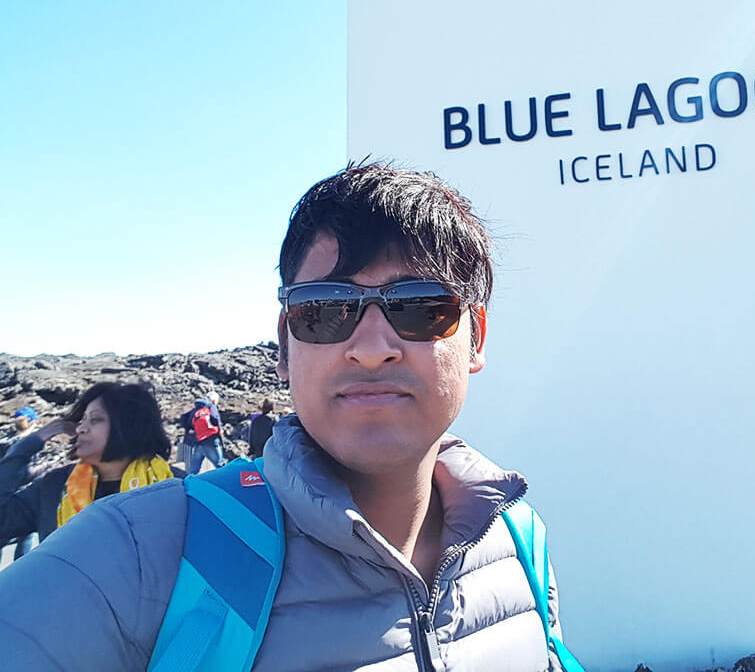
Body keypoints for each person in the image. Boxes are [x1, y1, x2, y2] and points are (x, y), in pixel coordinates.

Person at [0, 163, 570, 670]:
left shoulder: (519, 543)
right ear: (284, 343)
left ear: (476, 338)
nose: (372, 347)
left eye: (421, 308)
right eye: (323, 310)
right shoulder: (137, 553)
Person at [0, 383, 181, 550]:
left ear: (129, 427)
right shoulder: (54, 486)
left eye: (95, 420)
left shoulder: (177, 485)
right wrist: (33, 441)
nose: (80, 429)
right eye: (82, 419)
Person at [0, 407, 40, 559]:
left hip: (2, 495)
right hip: (20, 498)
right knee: (25, 537)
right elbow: (24, 474)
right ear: (33, 422)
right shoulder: (28, 445)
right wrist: (45, 470)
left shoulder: (5, 441)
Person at [179, 390, 225, 473]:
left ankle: (189, 482)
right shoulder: (211, 406)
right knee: (220, 465)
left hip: (198, 440)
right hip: (211, 440)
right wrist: (221, 434)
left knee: (194, 469)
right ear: (214, 400)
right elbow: (215, 418)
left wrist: (189, 430)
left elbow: (184, 418)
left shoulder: (198, 408)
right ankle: (224, 483)